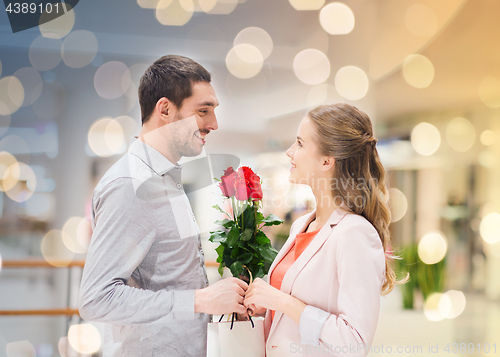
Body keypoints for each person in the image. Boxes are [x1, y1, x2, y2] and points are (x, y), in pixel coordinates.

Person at [78, 55, 248, 357]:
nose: (214, 124)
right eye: (203, 111)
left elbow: (173, 277)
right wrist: (200, 300)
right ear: (166, 109)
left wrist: (221, 300)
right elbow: (96, 299)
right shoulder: (129, 186)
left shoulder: (166, 178)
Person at [243, 103, 403, 357]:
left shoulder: (355, 233)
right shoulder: (301, 225)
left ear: (327, 160)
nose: (289, 152)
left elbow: (353, 343)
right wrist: (266, 307)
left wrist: (282, 302)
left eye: (300, 143)